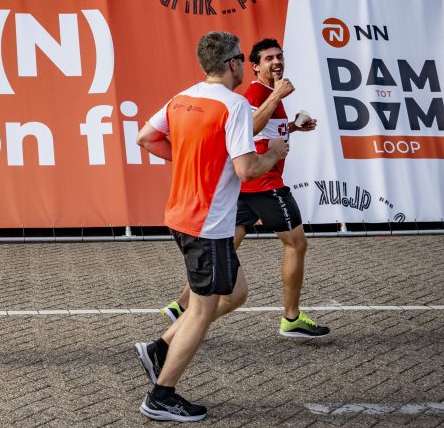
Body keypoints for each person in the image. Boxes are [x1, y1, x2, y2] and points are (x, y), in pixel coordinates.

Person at [133, 31, 289, 422]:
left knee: (235, 293)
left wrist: (191, 162)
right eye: (242, 58)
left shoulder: (182, 97)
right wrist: (273, 154)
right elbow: (246, 169)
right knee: (202, 311)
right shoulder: (235, 106)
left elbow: (145, 138)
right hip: (208, 223)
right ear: (235, 63)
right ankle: (161, 395)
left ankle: (159, 349)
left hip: (183, 216)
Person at [160, 38, 330, 339]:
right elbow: (248, 127)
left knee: (227, 247)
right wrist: (276, 96)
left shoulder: (267, 93)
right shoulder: (257, 92)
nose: (276, 62)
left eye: (279, 56)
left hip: (248, 186)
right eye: (268, 58)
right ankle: (291, 318)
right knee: (297, 244)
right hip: (263, 183)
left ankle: (180, 305)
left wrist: (291, 127)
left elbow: (263, 129)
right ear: (253, 65)